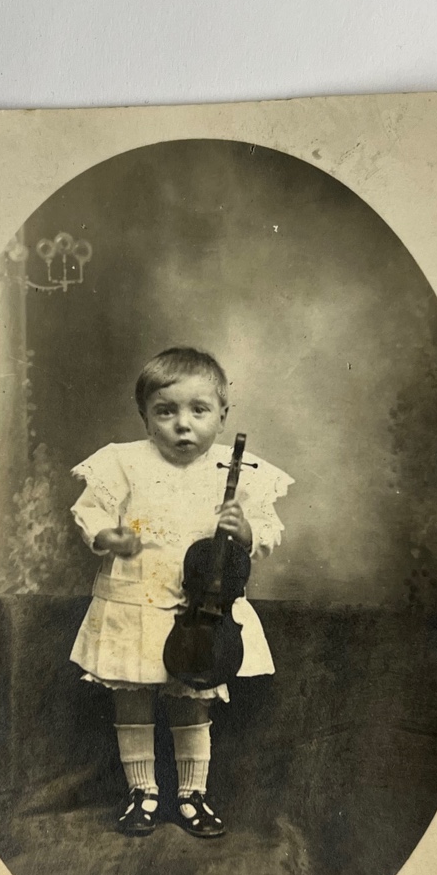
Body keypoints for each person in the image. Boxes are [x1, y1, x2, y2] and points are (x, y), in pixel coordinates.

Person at [69, 348, 293, 838]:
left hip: (203, 612)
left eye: (199, 411)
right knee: (132, 693)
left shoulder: (242, 472)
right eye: (165, 412)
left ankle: (193, 794)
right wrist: (108, 536)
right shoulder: (122, 461)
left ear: (223, 415)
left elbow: (271, 530)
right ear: (145, 416)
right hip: (135, 600)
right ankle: (142, 791)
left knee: (194, 694)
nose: (182, 426)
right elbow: (90, 510)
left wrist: (248, 531)